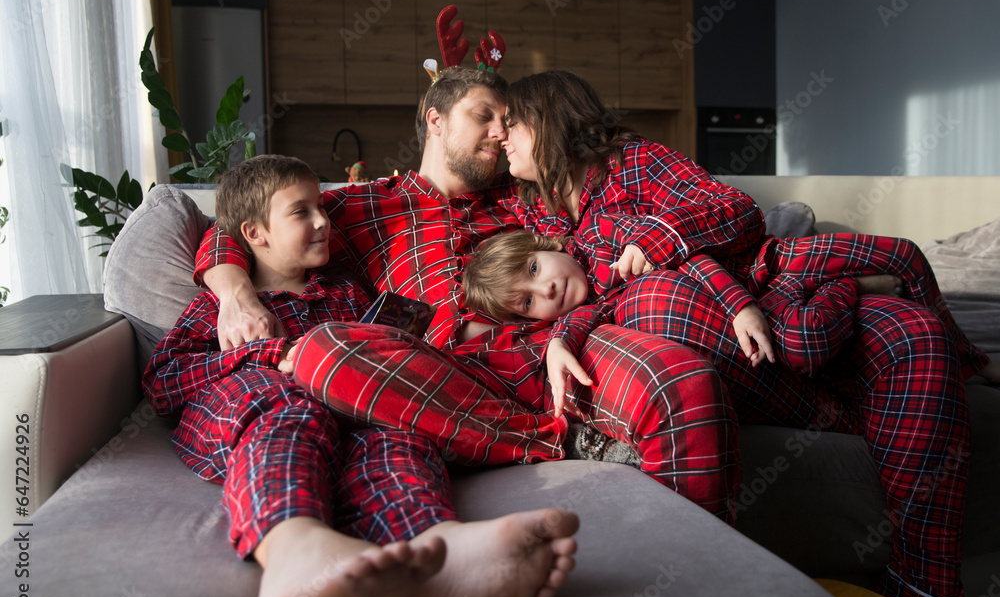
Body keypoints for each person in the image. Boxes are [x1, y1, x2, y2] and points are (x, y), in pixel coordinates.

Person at [496, 68, 997, 597]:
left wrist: (658, 237)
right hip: (707, 321)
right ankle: (835, 399)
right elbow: (535, 294)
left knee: (913, 331)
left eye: (512, 124)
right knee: (659, 301)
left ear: (548, 121)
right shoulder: (535, 215)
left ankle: (925, 588)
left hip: (767, 292)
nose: (502, 137)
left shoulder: (634, 162)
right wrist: (560, 338)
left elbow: (736, 208)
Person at [193, 66, 741, 522]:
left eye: (506, 123)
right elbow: (243, 224)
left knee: (684, 384)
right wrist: (235, 291)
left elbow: (610, 204)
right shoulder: (363, 206)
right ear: (435, 120)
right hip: (446, 377)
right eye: (483, 117)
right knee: (323, 353)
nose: (499, 134)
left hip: (557, 351)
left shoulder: (527, 192)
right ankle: (553, 440)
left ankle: (697, 584)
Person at [143, 154, 580, 597]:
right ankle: (294, 550)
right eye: (301, 212)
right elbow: (163, 383)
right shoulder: (219, 309)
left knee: (393, 436)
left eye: (322, 209)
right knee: (288, 407)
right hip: (249, 407)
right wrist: (271, 355)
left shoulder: (346, 294)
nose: (322, 222)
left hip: (345, 420)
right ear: (254, 233)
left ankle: (437, 551)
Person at [462, 229, 909, 411]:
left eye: (535, 271)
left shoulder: (607, 243)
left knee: (804, 340)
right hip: (753, 316)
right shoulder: (590, 309)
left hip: (751, 285)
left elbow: (692, 257)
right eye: (527, 303)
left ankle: (841, 282)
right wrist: (559, 343)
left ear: (549, 244)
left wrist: (738, 305)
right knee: (802, 349)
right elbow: (583, 318)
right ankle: (844, 287)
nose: (547, 291)